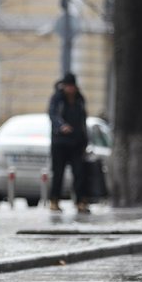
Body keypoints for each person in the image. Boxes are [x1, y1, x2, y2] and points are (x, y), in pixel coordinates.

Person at [48, 72, 89, 214]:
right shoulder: (57, 98)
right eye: (68, 86)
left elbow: (83, 119)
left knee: (79, 173)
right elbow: (53, 114)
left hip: (77, 143)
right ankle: (54, 200)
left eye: (72, 86)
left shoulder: (79, 99)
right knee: (58, 173)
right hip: (60, 142)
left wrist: (85, 139)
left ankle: (80, 202)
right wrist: (61, 126)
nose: (70, 89)